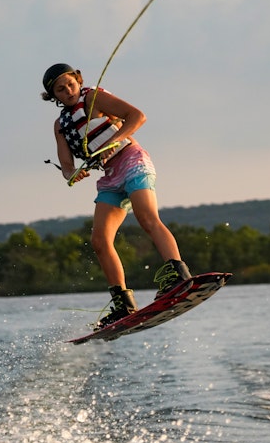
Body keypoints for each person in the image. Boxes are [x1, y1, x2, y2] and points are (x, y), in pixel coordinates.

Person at [41, 63, 191, 328]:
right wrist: (72, 175)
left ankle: (178, 275)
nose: (68, 92)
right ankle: (123, 304)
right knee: (99, 241)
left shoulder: (94, 98)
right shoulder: (60, 125)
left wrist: (114, 140)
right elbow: (66, 165)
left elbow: (137, 116)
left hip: (132, 160)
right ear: (54, 97)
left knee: (146, 218)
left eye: (70, 85)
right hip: (110, 178)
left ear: (78, 80)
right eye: (60, 90)